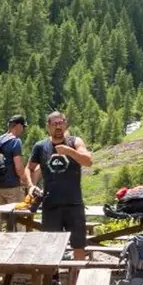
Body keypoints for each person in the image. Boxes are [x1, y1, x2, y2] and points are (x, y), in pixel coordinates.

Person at [29, 111, 94, 259]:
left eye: (61, 123)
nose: (58, 126)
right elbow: (30, 168)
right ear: (48, 126)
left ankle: (77, 279)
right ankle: (52, 280)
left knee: (78, 246)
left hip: (74, 203)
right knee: (49, 247)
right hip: (50, 205)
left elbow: (88, 161)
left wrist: (69, 151)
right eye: (54, 123)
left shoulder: (74, 142)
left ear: (65, 124)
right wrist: (30, 185)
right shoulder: (40, 146)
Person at [0, 115, 32, 206]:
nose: (23, 130)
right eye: (23, 127)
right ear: (18, 126)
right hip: (13, 187)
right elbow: (18, 167)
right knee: (18, 216)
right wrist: (26, 182)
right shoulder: (15, 141)